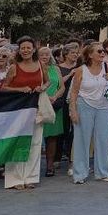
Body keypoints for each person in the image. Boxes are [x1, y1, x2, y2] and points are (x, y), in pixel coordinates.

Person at [2, 37, 48, 190]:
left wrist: (43, 87)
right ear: (19, 50)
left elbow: (47, 81)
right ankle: (15, 179)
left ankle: (31, 177)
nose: (26, 50)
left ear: (34, 49)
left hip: (36, 108)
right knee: (16, 142)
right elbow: (4, 87)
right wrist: (19, 89)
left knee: (35, 143)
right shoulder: (14, 67)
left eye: (29, 47)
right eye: (23, 48)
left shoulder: (41, 65)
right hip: (17, 110)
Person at [68, 43, 108, 184]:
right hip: (84, 105)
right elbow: (73, 92)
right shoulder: (81, 70)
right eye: (99, 51)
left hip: (103, 106)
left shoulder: (107, 67)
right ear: (90, 55)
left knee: (103, 139)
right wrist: (73, 111)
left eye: (103, 51)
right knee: (82, 139)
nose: (103, 53)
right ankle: (80, 174)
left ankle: (103, 172)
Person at [38, 46, 65, 178]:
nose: (44, 57)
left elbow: (62, 87)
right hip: (38, 104)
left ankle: (50, 165)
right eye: (42, 54)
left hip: (54, 105)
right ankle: (34, 166)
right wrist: (44, 97)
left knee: (52, 137)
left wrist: (55, 97)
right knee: (37, 136)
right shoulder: (35, 68)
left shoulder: (56, 68)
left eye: (47, 54)